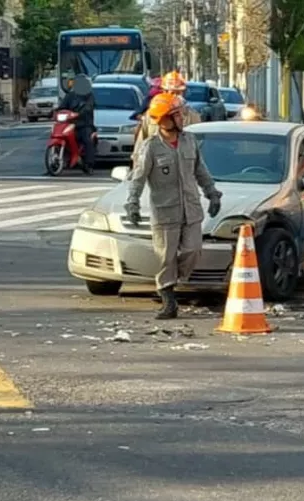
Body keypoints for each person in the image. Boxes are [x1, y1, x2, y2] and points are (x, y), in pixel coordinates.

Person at [125, 93, 223, 320]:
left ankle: (172, 280)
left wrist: (213, 194)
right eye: (177, 115)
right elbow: (138, 178)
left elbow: (201, 170)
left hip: (191, 209)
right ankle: (168, 297)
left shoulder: (189, 141)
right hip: (165, 212)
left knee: (192, 250)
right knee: (166, 257)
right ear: (164, 120)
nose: (182, 118)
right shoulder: (151, 147)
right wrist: (132, 203)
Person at [132, 70, 203, 158]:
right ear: (163, 92)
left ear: (183, 93)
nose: (173, 96)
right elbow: (140, 146)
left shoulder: (192, 116)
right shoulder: (151, 115)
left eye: (177, 93)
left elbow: (200, 146)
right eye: (170, 92)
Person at [58, 74, 96, 175]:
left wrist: (80, 114)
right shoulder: (70, 95)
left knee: (87, 141)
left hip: (84, 124)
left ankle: (89, 164)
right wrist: (56, 111)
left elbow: (89, 107)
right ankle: (62, 157)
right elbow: (62, 106)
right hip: (70, 123)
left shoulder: (89, 95)